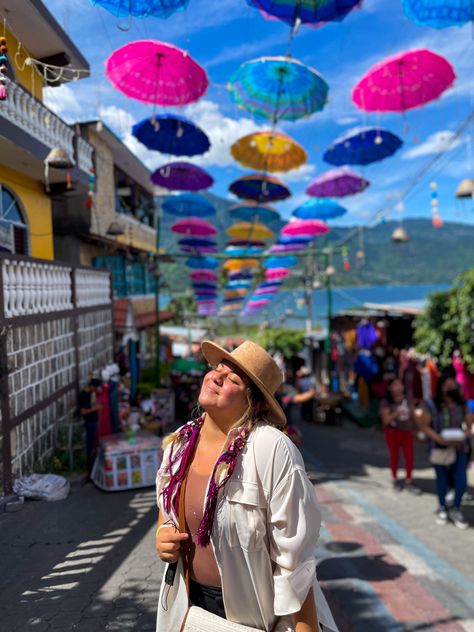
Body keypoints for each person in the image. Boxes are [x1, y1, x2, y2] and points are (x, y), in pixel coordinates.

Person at [155, 340, 338, 632]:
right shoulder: (179, 444)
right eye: (216, 369)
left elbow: (296, 565)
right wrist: (162, 534)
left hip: (255, 614)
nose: (215, 376)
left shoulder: (271, 449)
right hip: (188, 606)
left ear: (254, 402)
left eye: (233, 379)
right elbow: (166, 510)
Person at [414, 373, 473, 529]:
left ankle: (456, 508)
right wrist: (439, 439)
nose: (450, 388)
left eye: (452, 385)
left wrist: (464, 436)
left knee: (461, 479)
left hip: (459, 448)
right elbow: (423, 424)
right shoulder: (431, 404)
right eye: (446, 385)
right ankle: (442, 507)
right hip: (439, 448)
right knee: (441, 479)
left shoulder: (462, 403)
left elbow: (469, 422)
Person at [379, 378, 420, 494]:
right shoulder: (386, 402)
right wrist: (396, 413)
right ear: (390, 388)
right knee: (394, 456)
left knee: (409, 456)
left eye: (399, 384)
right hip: (392, 432)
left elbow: (413, 415)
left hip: (407, 431)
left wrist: (418, 429)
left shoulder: (408, 400)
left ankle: (408, 480)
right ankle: (394, 479)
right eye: (395, 385)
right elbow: (386, 421)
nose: (398, 387)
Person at [78, 378, 102, 479]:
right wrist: (95, 408)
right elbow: (83, 411)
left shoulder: (91, 394)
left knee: (93, 446)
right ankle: (89, 470)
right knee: (90, 447)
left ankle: (92, 469)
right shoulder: (83, 395)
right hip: (90, 422)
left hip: (94, 421)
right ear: (92, 386)